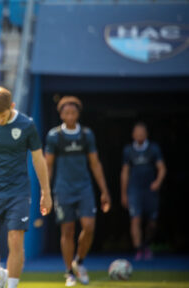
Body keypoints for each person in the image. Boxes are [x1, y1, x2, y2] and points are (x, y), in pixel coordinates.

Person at [0, 87, 52, 288]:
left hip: (18, 192)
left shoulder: (27, 125)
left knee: (15, 239)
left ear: (12, 107)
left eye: (3, 115)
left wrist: (46, 192)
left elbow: (38, 158)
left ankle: (12, 285)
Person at [45, 96, 111, 286]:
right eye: (66, 113)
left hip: (84, 188)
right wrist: (45, 191)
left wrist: (104, 191)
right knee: (67, 230)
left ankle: (79, 262)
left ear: (78, 114)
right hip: (63, 189)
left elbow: (95, 164)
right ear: (61, 115)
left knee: (89, 227)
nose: (70, 116)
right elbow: (47, 165)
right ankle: (69, 273)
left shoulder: (86, 135)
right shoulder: (54, 136)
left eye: (73, 112)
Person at [121, 122, 166, 261]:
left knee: (152, 223)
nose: (139, 135)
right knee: (135, 219)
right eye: (137, 132)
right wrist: (123, 193)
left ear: (146, 134)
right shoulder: (128, 150)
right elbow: (125, 172)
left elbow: (162, 168)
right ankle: (138, 249)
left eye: (142, 132)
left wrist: (157, 182)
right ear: (133, 134)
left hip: (150, 190)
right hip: (134, 189)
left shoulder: (153, 149)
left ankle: (146, 245)